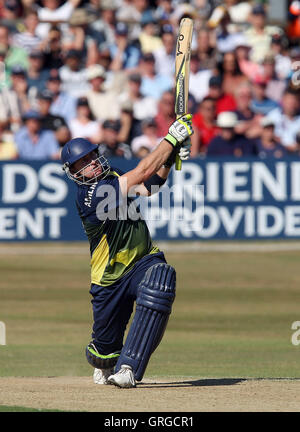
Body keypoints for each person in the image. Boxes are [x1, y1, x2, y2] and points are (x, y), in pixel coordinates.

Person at [60, 114, 194, 388]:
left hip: (143, 259)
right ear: (73, 171)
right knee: (103, 354)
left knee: (161, 279)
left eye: (91, 156)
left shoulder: (112, 175)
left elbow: (149, 187)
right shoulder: (90, 195)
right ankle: (105, 359)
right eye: (82, 163)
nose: (91, 163)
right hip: (109, 278)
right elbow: (143, 171)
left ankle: (130, 367)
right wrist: (170, 139)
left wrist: (170, 156)